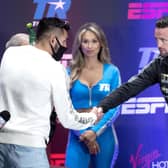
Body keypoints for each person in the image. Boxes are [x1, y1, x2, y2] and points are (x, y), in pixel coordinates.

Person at [0, 17, 102, 168]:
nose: (66, 45)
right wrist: (92, 117)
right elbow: (68, 119)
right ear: (54, 41)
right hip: (30, 148)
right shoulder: (55, 69)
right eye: (65, 41)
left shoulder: (10, 54)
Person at [80, 16, 168, 144]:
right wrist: (101, 107)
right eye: (157, 40)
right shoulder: (159, 64)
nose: (158, 45)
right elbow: (129, 88)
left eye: (163, 40)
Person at [65, 22, 121, 168]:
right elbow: (65, 106)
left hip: (104, 135)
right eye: (85, 41)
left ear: (101, 43)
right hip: (77, 136)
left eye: (94, 41)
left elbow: (115, 107)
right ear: (79, 44)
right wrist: (84, 134)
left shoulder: (112, 72)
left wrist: (94, 132)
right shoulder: (69, 71)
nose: (89, 46)